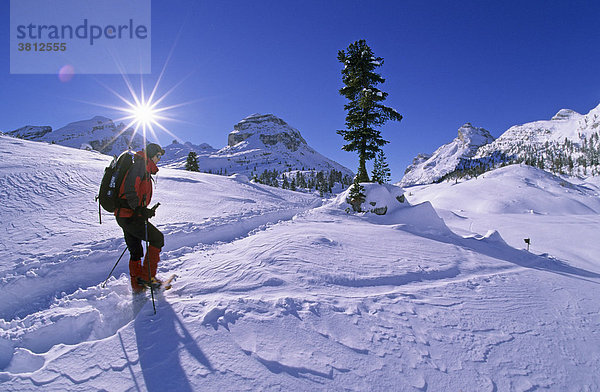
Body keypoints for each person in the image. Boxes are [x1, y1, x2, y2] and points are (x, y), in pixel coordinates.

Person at [115, 143, 166, 293]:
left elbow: (136, 193)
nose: (159, 159)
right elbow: (130, 189)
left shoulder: (142, 167)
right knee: (157, 238)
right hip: (129, 215)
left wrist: (143, 210)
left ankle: (137, 285)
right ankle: (147, 277)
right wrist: (139, 210)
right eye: (158, 156)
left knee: (136, 251)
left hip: (125, 215)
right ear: (151, 155)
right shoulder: (140, 166)